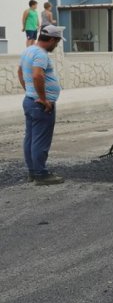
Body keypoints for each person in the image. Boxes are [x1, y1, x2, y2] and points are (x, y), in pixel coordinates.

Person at [17, 25, 65, 185]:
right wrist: (43, 99)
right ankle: (41, 174)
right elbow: (38, 75)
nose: (56, 45)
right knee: (40, 139)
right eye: (57, 42)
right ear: (51, 39)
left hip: (30, 100)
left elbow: (19, 72)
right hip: (40, 104)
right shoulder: (40, 54)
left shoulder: (28, 50)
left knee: (30, 138)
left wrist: (29, 91)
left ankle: (33, 172)